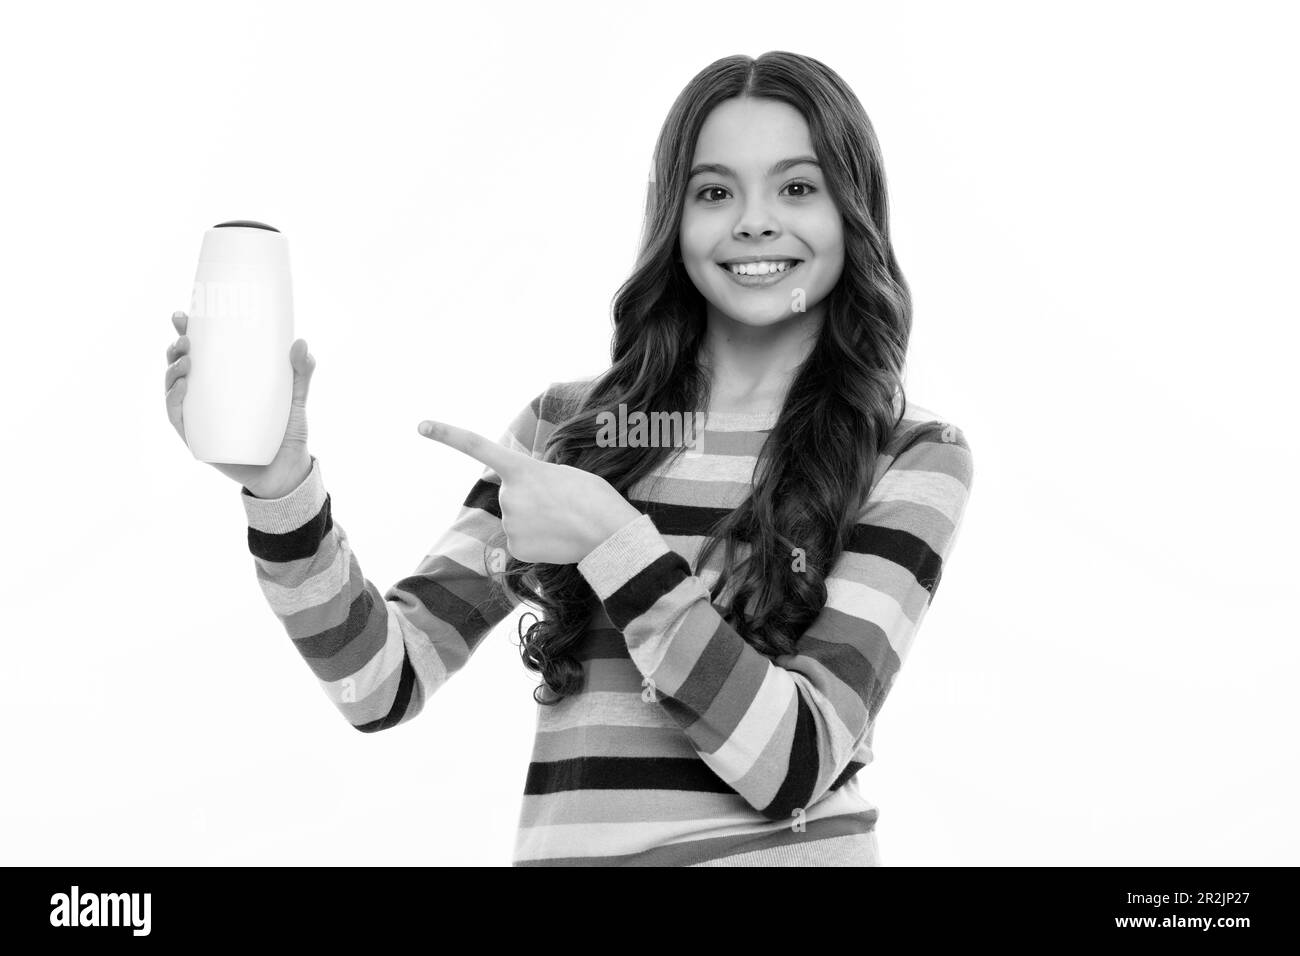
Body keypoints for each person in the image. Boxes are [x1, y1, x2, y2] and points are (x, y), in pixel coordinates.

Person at [164, 50, 974, 867]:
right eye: (715, 192)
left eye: (797, 187)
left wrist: (613, 543)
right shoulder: (569, 430)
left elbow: (793, 763)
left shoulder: (909, 454)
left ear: (853, 210)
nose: (754, 222)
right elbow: (380, 683)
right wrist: (280, 491)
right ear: (674, 220)